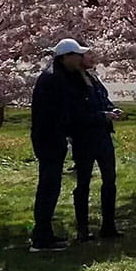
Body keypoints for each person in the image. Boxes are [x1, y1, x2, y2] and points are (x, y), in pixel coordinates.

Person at [29, 38, 120, 251]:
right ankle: (41, 237)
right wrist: (97, 117)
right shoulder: (55, 80)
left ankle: (44, 234)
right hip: (50, 138)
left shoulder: (61, 76)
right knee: (48, 187)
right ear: (66, 57)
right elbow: (70, 112)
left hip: (54, 138)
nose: (80, 58)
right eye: (77, 55)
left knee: (51, 186)